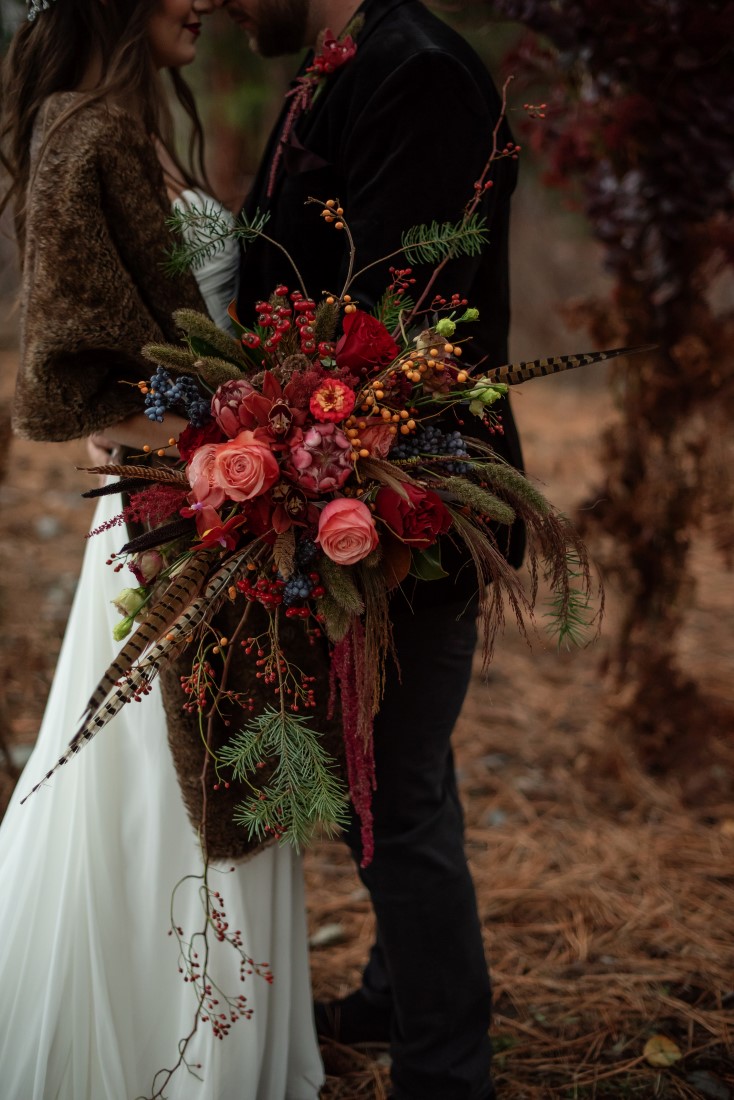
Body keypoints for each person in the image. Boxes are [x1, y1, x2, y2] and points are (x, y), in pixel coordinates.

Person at [0, 1, 324, 1097]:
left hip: (218, 505)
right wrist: (242, 438)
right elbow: (78, 385)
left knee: (219, 756)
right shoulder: (81, 133)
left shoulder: (133, 131)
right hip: (165, 516)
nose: (208, 1)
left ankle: (221, 1040)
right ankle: (156, 1049)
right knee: (159, 780)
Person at [223, 1, 526, 1098]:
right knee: (392, 775)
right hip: (350, 487)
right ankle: (402, 996)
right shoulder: (345, 62)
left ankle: (446, 1068)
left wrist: (293, 459)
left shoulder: (419, 72)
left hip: (407, 499)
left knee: (391, 792)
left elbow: (395, 324)